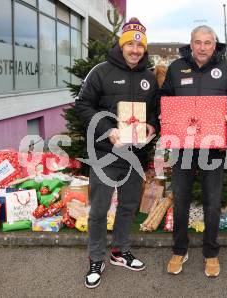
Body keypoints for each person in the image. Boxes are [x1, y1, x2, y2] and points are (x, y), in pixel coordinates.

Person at [75, 17, 158, 289]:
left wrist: (151, 126)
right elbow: (83, 105)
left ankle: (120, 251)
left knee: (128, 206)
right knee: (99, 209)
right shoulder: (101, 72)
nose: (135, 50)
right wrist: (108, 129)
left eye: (140, 46)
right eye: (130, 45)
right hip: (105, 154)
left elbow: (156, 112)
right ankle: (96, 257)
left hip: (135, 156)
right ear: (122, 45)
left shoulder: (149, 77)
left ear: (144, 49)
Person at [160, 25, 227, 277]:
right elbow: (164, 99)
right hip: (182, 147)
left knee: (212, 203)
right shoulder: (177, 68)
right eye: (198, 42)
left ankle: (211, 253)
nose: (202, 47)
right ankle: (179, 249)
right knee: (181, 201)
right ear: (191, 42)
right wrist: (165, 120)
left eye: (208, 42)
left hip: (213, 148)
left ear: (214, 44)